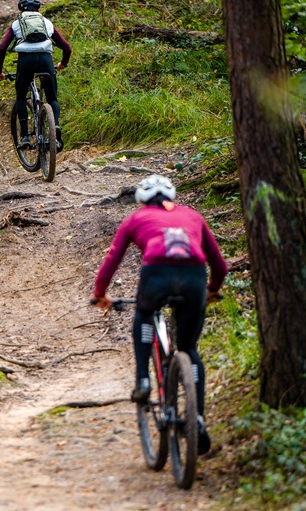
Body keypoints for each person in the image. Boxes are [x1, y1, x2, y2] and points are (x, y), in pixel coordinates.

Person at [90, 174, 228, 455]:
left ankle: (143, 380)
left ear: (141, 200)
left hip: (156, 278)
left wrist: (100, 293)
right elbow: (220, 266)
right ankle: (197, 418)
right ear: (172, 196)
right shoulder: (193, 216)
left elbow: (112, 259)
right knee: (189, 348)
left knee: (143, 315)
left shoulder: (134, 219)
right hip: (193, 280)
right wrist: (211, 290)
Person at [0, 0, 71, 149]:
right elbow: (67, 48)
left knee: (21, 97)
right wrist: (63, 63)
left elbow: (2, 48)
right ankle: (55, 127)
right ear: (38, 9)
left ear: (20, 9)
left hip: (25, 62)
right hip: (45, 61)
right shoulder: (46, 23)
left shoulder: (17, 23)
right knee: (52, 98)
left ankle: (25, 137)